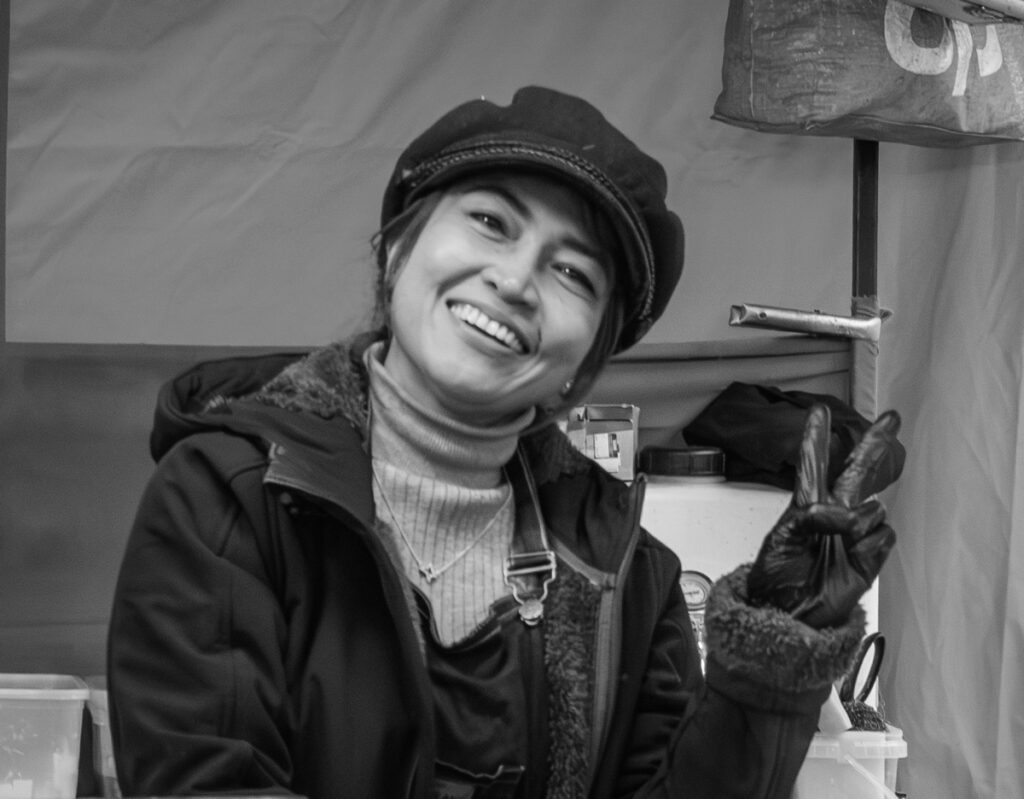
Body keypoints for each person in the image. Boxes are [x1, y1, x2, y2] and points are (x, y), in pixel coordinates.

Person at [107, 85, 903, 799]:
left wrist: (772, 654)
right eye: (491, 222)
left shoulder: (627, 576)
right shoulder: (226, 497)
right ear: (396, 251)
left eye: (573, 275)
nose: (517, 280)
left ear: (580, 369)